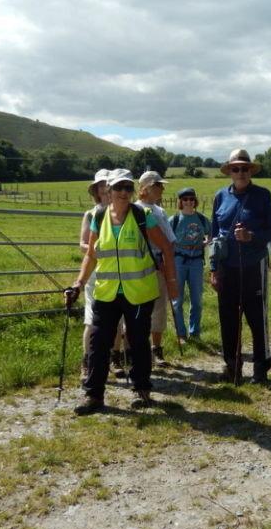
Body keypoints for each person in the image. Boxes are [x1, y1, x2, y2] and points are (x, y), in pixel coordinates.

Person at [65, 169, 178, 415]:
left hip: (139, 292)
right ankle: (93, 395)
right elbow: (91, 255)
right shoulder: (99, 217)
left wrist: (172, 281)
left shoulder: (142, 216)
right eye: (118, 187)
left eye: (128, 187)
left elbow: (166, 247)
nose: (123, 192)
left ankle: (141, 389)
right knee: (98, 343)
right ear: (109, 190)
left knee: (137, 343)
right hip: (106, 293)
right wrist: (78, 284)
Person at [210, 149, 271, 384]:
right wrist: (213, 268)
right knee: (228, 318)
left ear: (251, 171)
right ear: (229, 172)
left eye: (244, 168)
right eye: (236, 169)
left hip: (253, 265)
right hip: (226, 266)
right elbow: (214, 234)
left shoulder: (263, 195)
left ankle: (261, 367)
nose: (240, 172)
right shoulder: (220, 196)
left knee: (257, 318)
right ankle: (232, 366)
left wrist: (251, 236)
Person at [78, 169, 126, 381]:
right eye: (101, 185)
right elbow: (83, 245)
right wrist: (103, 249)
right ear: (96, 190)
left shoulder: (124, 213)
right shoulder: (92, 214)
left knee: (117, 319)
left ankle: (114, 359)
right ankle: (87, 362)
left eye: (108, 184)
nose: (105, 189)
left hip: (119, 273)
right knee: (92, 319)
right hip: (97, 273)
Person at [136, 171, 177, 367]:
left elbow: (170, 239)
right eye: (159, 185)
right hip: (140, 266)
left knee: (159, 307)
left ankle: (156, 349)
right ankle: (134, 349)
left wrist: (168, 262)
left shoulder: (160, 211)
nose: (162, 189)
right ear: (148, 187)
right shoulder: (135, 209)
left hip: (161, 265)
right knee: (137, 308)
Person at [169, 187, 211, 341]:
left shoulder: (201, 218)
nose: (188, 202)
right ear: (180, 201)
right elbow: (166, 238)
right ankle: (181, 333)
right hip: (179, 259)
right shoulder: (174, 219)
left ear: (195, 201)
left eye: (191, 199)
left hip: (197, 259)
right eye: (185, 199)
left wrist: (207, 242)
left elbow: (211, 231)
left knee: (197, 300)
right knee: (177, 300)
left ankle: (195, 332)